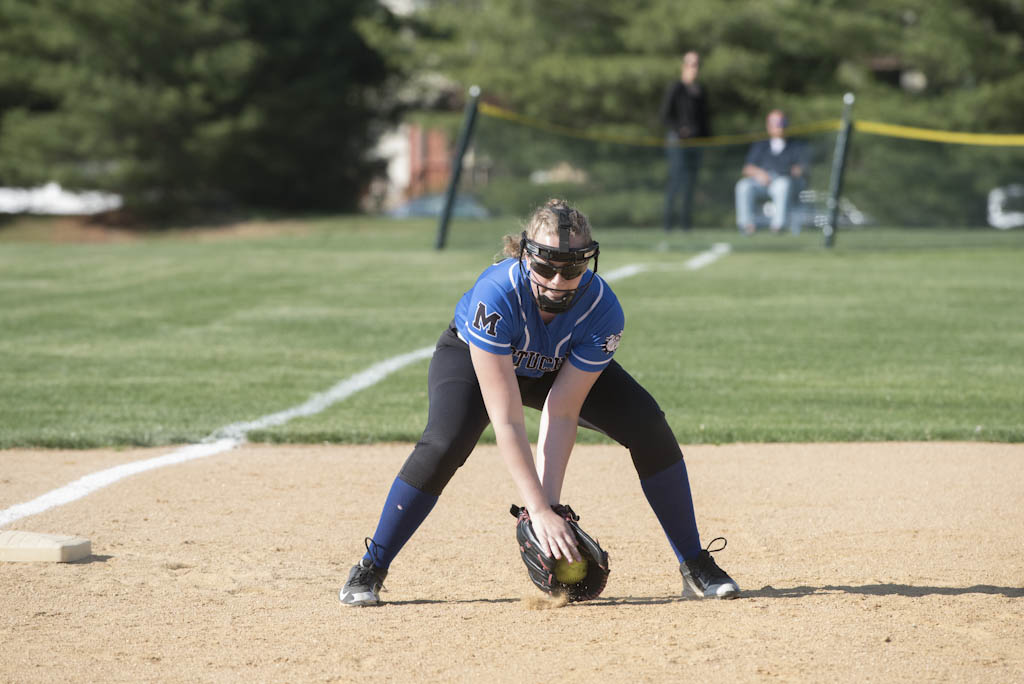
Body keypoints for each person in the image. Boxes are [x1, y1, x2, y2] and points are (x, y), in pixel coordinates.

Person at [339, 199, 740, 606]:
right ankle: (371, 566)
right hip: (477, 361)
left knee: (649, 426)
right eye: (545, 266)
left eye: (571, 268)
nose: (556, 280)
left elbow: (562, 410)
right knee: (445, 442)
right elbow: (508, 418)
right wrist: (536, 510)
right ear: (524, 255)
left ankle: (695, 563)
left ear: (589, 263)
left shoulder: (603, 310)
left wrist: (550, 507)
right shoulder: (496, 295)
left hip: (555, 367)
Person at [660, 51, 712, 232]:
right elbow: (665, 116)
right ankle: (668, 224)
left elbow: (705, 119)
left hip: (695, 144)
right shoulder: (676, 88)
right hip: (678, 143)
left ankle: (685, 225)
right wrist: (680, 129)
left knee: (691, 184)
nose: (694, 68)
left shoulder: (700, 90)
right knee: (676, 181)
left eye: (697, 64)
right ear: (684, 66)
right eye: (691, 64)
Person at [735, 109, 808, 235]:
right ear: (768, 126)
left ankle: (778, 226)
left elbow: (801, 169)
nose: (779, 127)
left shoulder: (796, 145)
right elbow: (747, 168)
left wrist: (792, 171)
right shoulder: (761, 145)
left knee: (783, 185)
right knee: (743, 186)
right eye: (774, 123)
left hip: (784, 182)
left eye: (781, 123)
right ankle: (746, 225)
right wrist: (759, 174)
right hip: (761, 183)